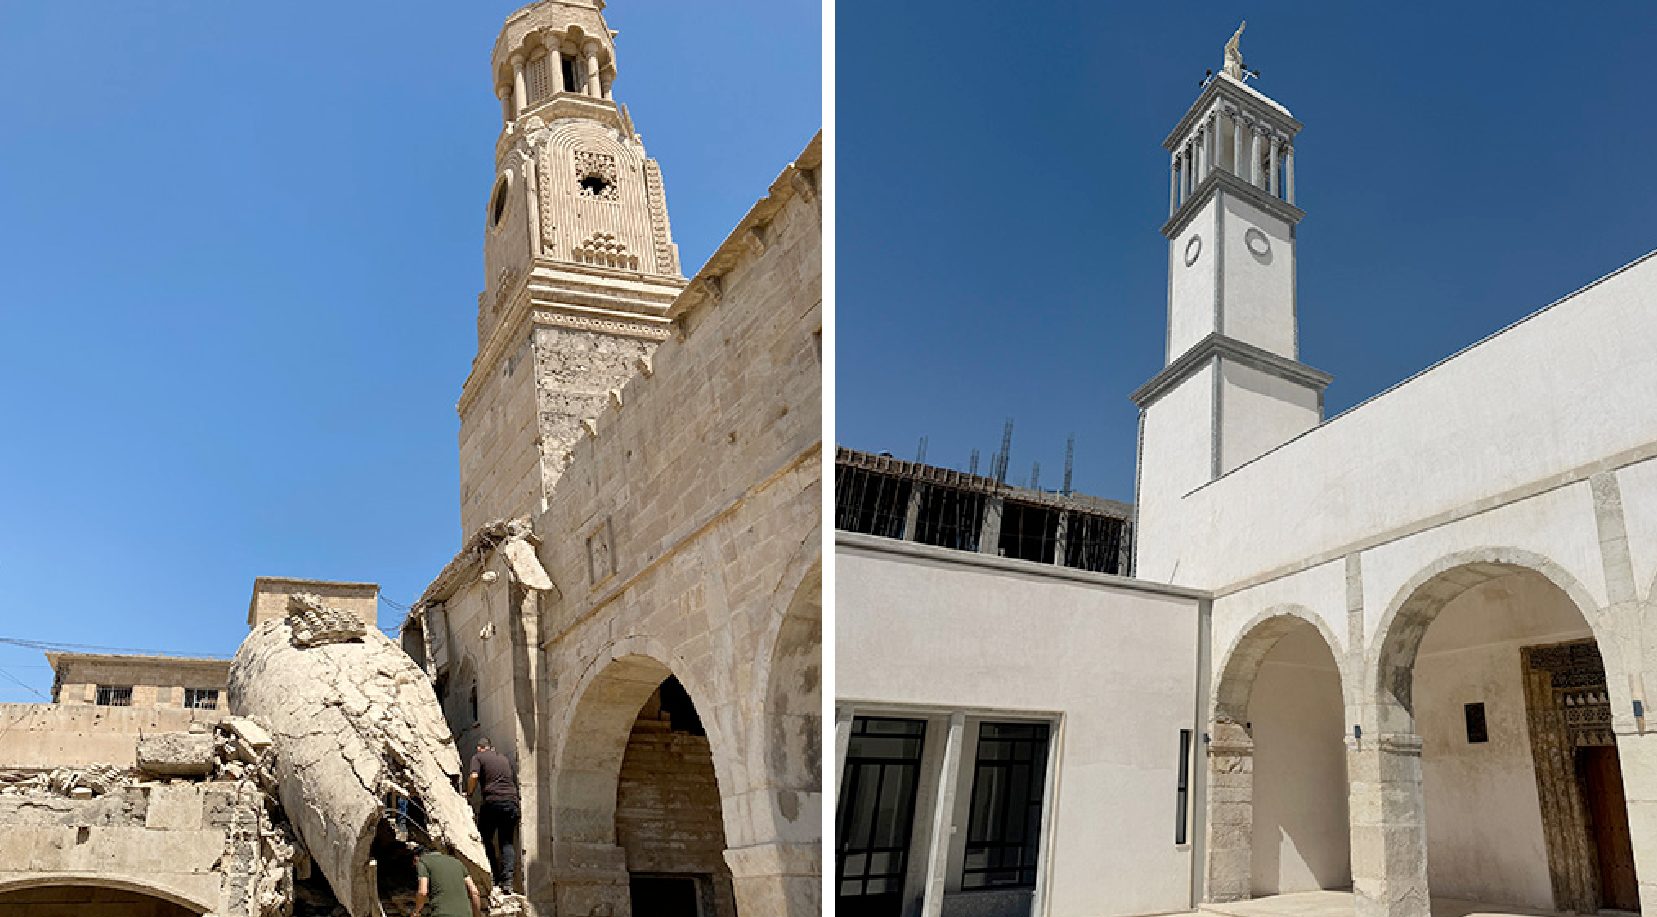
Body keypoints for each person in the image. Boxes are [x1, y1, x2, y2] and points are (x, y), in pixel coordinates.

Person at [466, 736, 520, 890]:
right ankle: (507, 882)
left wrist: (469, 793)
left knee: (484, 837)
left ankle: (494, 876)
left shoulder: (478, 757)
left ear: (479, 748)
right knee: (507, 842)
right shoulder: (503, 758)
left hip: (493, 802)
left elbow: (474, 776)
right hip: (511, 802)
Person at [413, 842, 483, 917]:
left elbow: (423, 892)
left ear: (416, 858)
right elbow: (474, 892)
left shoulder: (423, 861)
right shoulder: (457, 862)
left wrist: (416, 912)